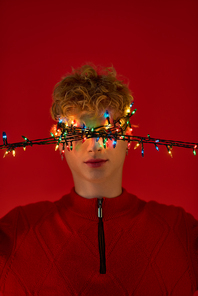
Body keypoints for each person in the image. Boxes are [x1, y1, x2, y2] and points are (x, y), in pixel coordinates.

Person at [0, 64, 197, 296]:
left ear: (128, 138)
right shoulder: (17, 232)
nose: (94, 145)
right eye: (79, 133)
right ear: (61, 142)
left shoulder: (179, 231)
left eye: (107, 132)